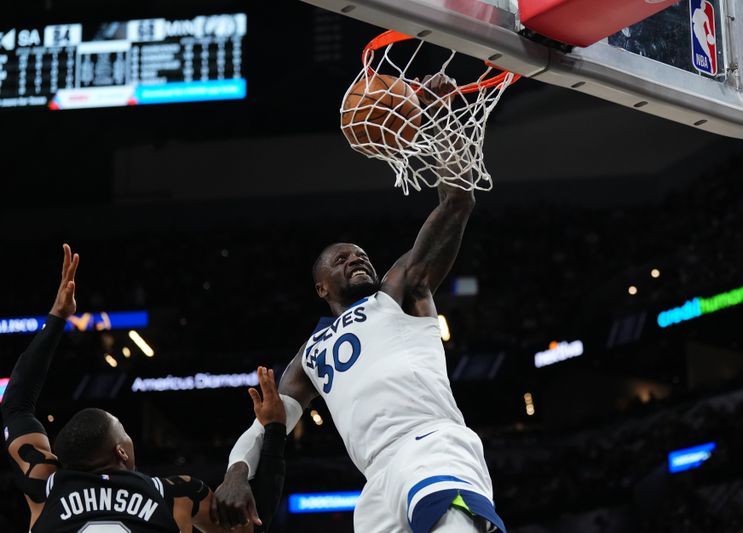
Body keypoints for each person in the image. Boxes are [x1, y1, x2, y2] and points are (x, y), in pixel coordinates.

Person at [219, 76, 505, 533]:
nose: (357, 258)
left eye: (361, 254)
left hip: (430, 445)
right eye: (341, 258)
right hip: (376, 481)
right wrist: (235, 473)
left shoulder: (400, 291)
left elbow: (458, 200)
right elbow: (267, 419)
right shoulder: (311, 353)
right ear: (320, 288)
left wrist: (430, 119)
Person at [1, 244, 286, 533]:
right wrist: (273, 428)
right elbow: (254, 524)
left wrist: (57, 317)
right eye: (125, 434)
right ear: (121, 452)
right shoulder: (176, 495)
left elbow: (16, 404)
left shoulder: (44, 485)